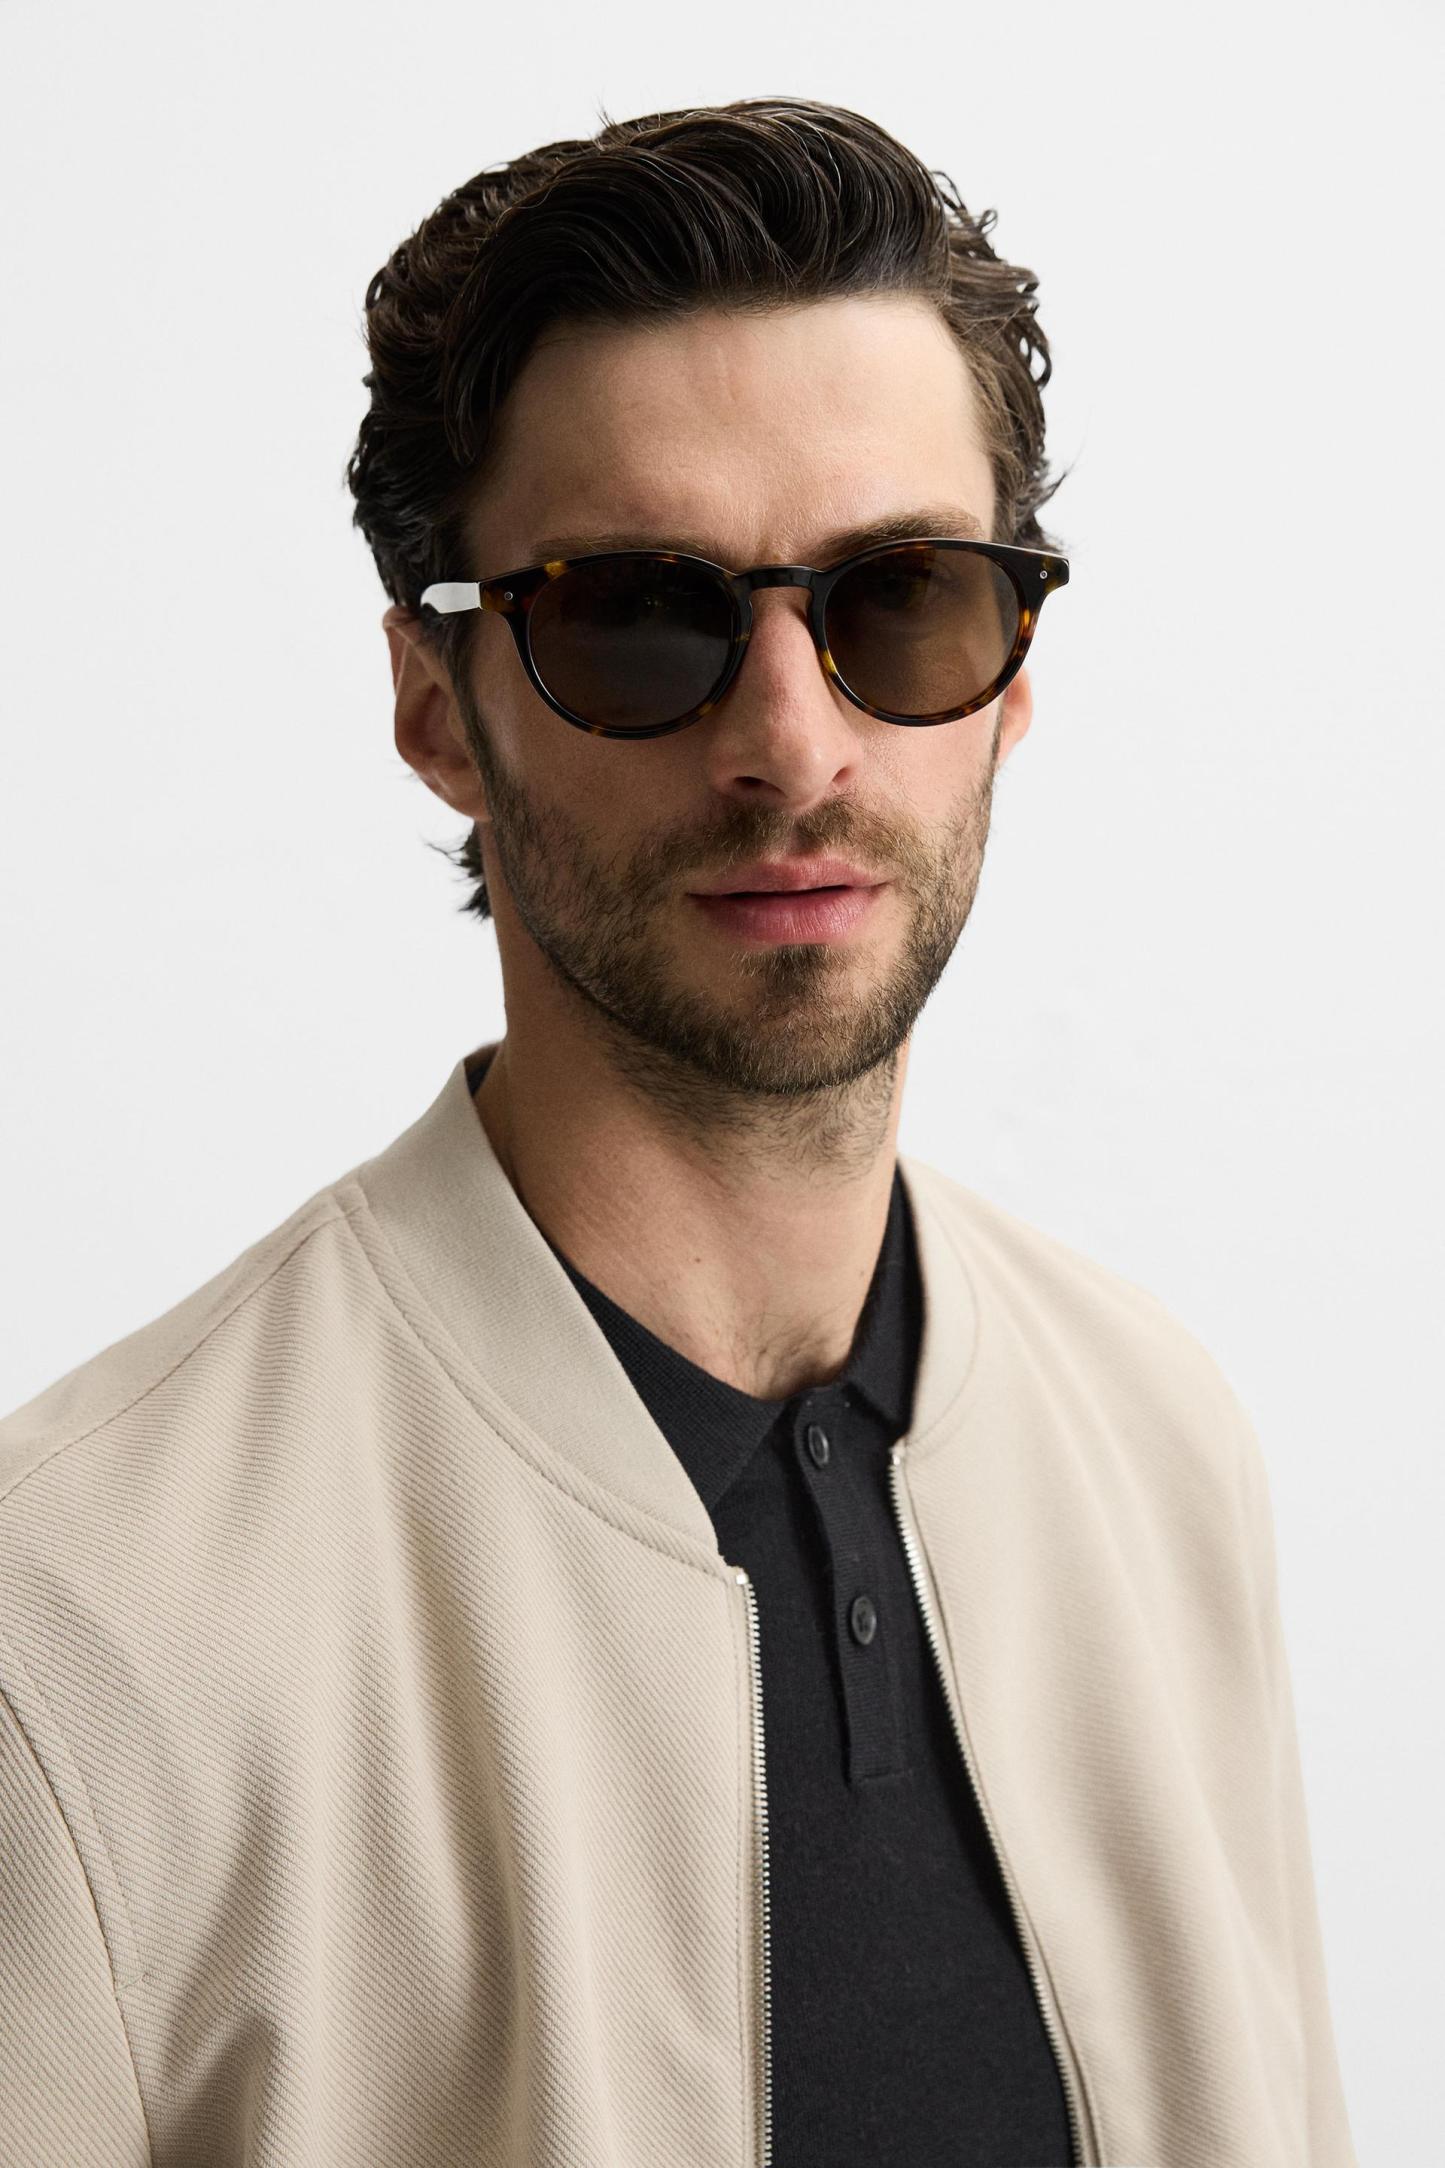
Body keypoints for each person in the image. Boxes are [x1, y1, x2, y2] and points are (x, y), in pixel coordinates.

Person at [0, 98, 1355, 2168]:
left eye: (902, 600)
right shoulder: (80, 1630)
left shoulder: (1157, 1450)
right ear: (439, 704)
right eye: (638, 614)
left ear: (1013, 675)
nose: (792, 744)